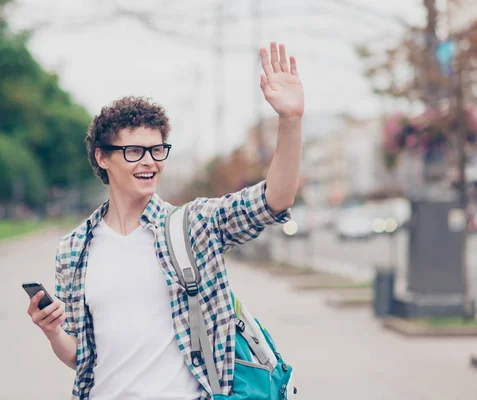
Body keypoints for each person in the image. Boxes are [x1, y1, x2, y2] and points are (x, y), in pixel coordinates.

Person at [26, 41, 304, 400]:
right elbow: (81, 357)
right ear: (102, 157)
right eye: (133, 151)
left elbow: (274, 199)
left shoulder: (194, 226)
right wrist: (52, 332)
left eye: (157, 150)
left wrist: (290, 120)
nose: (149, 162)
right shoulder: (74, 250)